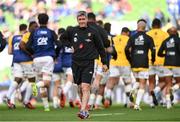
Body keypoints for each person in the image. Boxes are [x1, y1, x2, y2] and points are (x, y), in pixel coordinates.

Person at [60, 11, 108, 119]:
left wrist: (105, 63)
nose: (81, 21)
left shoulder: (93, 31)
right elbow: (62, 38)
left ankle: (83, 111)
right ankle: (84, 108)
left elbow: (101, 48)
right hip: (76, 62)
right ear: (77, 20)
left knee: (86, 86)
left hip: (89, 62)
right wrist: (69, 45)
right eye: (79, 19)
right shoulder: (72, 30)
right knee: (79, 87)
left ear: (86, 19)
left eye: (83, 19)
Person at [25, 13, 59, 111]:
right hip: (48, 58)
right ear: (47, 21)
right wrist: (55, 55)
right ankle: (35, 86)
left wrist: (34, 53)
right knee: (46, 83)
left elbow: (27, 46)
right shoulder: (51, 32)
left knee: (41, 81)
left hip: (37, 59)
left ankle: (46, 107)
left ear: (38, 21)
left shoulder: (34, 32)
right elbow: (59, 45)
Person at [125, 19, 156, 110]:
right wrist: (153, 59)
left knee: (138, 81)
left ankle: (133, 90)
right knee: (143, 83)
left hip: (134, 62)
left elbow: (126, 49)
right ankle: (137, 105)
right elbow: (153, 51)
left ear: (137, 27)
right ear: (145, 28)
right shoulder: (149, 38)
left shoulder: (132, 37)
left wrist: (129, 59)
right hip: (144, 62)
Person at [5, 24, 35, 109]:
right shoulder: (28, 36)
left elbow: (10, 52)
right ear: (26, 29)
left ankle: (8, 97)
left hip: (16, 61)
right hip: (27, 61)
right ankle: (26, 101)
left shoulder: (12, 37)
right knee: (32, 81)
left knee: (17, 79)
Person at [104, 27, 132, 108]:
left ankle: (107, 98)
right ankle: (129, 102)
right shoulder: (128, 39)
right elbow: (129, 50)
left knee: (111, 81)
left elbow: (108, 49)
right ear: (127, 33)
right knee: (127, 82)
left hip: (114, 62)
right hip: (125, 63)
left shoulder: (114, 38)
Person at [146, 18, 169, 107]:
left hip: (150, 61)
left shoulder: (148, 34)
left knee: (151, 81)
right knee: (163, 81)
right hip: (161, 61)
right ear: (160, 25)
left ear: (152, 25)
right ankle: (161, 98)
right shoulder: (165, 34)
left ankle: (152, 102)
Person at [158, 27, 180, 109]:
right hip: (177, 64)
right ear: (176, 32)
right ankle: (173, 89)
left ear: (169, 33)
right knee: (178, 82)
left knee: (168, 84)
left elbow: (159, 53)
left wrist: (166, 54)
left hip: (167, 64)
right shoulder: (178, 40)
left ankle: (168, 104)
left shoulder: (165, 41)